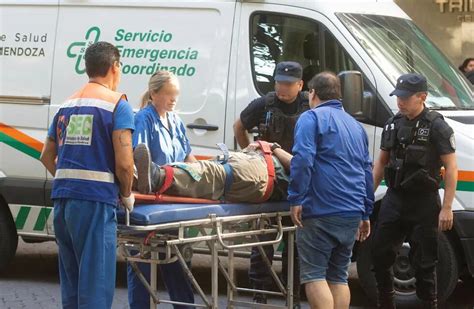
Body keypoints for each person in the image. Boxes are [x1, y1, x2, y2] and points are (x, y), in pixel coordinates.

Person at [39, 42, 135, 308]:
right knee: (95, 286)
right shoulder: (118, 104)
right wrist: (126, 194)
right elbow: (125, 164)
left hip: (63, 202)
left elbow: (46, 156)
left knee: (72, 285)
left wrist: (69, 179)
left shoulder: (67, 104)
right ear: (115, 67)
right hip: (95, 204)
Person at [370, 73, 458, 309]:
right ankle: (386, 302)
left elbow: (451, 167)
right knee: (379, 254)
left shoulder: (436, 126)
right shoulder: (393, 123)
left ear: (422, 97)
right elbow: (380, 163)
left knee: (425, 263)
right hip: (395, 198)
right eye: (398, 96)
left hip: (424, 202)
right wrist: (367, 197)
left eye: (406, 97)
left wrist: (447, 207)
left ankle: (429, 304)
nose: (400, 101)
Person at [288, 72, 374, 309]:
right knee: (338, 276)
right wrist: (366, 212)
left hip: (320, 208)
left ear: (312, 93)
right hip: (352, 210)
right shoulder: (356, 126)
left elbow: (303, 159)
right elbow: (367, 169)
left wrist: (296, 198)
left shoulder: (311, 118)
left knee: (315, 275)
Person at [233, 61, 309, 305]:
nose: (281, 88)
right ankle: (259, 294)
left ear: (300, 85)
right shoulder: (264, 103)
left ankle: (293, 296)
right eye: (278, 82)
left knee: (295, 242)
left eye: (287, 84)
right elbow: (239, 126)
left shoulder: (309, 106)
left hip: (298, 182)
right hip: (270, 181)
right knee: (263, 240)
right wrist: (249, 154)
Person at [127, 71, 196, 309]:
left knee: (176, 259)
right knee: (142, 262)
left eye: (176, 94)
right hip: (151, 200)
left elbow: (188, 155)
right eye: (168, 94)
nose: (173, 99)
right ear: (154, 93)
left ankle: (184, 305)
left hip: (175, 199)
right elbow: (139, 154)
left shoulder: (175, 120)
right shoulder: (144, 119)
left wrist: (202, 174)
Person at [133, 141, 291, 202]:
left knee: (211, 174)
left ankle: (156, 178)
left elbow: (298, 165)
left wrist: (273, 148)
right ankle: (136, 177)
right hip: (259, 166)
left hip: (262, 174)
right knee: (203, 169)